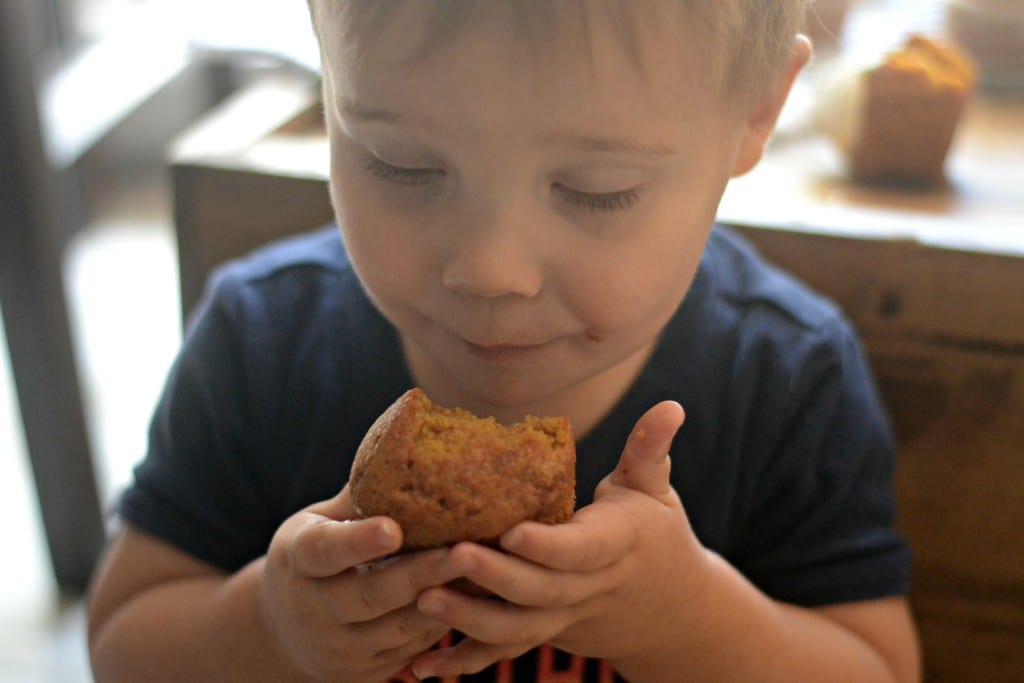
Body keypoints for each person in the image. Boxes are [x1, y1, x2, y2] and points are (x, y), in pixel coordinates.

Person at [87, 1, 922, 681]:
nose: (490, 270)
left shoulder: (786, 378)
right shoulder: (261, 345)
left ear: (757, 112)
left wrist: (687, 616)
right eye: (402, 164)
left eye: (596, 190)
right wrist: (268, 627)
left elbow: (875, 665)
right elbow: (124, 639)